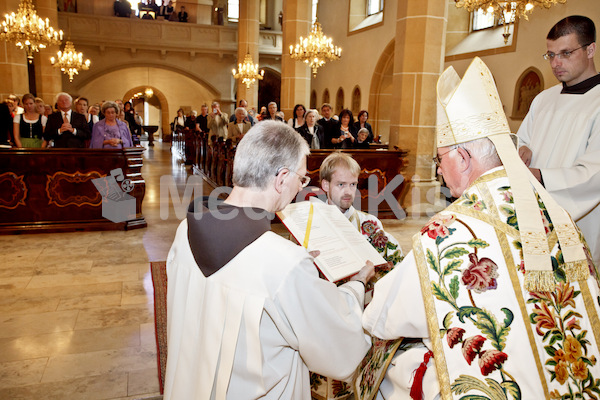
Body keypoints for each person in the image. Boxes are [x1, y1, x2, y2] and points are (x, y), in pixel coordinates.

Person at [362, 57, 600, 400]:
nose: (440, 171)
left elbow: (385, 318)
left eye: (440, 159)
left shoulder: (450, 231)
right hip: (574, 384)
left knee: (393, 366)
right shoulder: (555, 214)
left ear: (462, 158)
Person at [164, 120, 374, 399]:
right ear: (282, 178)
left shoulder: (184, 231)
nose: (300, 186)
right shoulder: (285, 264)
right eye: (301, 178)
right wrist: (357, 284)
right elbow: (339, 348)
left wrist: (297, 270)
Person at [517, 15, 600, 267]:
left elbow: (595, 173)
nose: (556, 63)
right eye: (550, 55)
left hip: (581, 220)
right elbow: (523, 139)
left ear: (590, 49)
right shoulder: (543, 99)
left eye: (565, 53)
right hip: (534, 215)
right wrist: (521, 149)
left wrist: (541, 177)